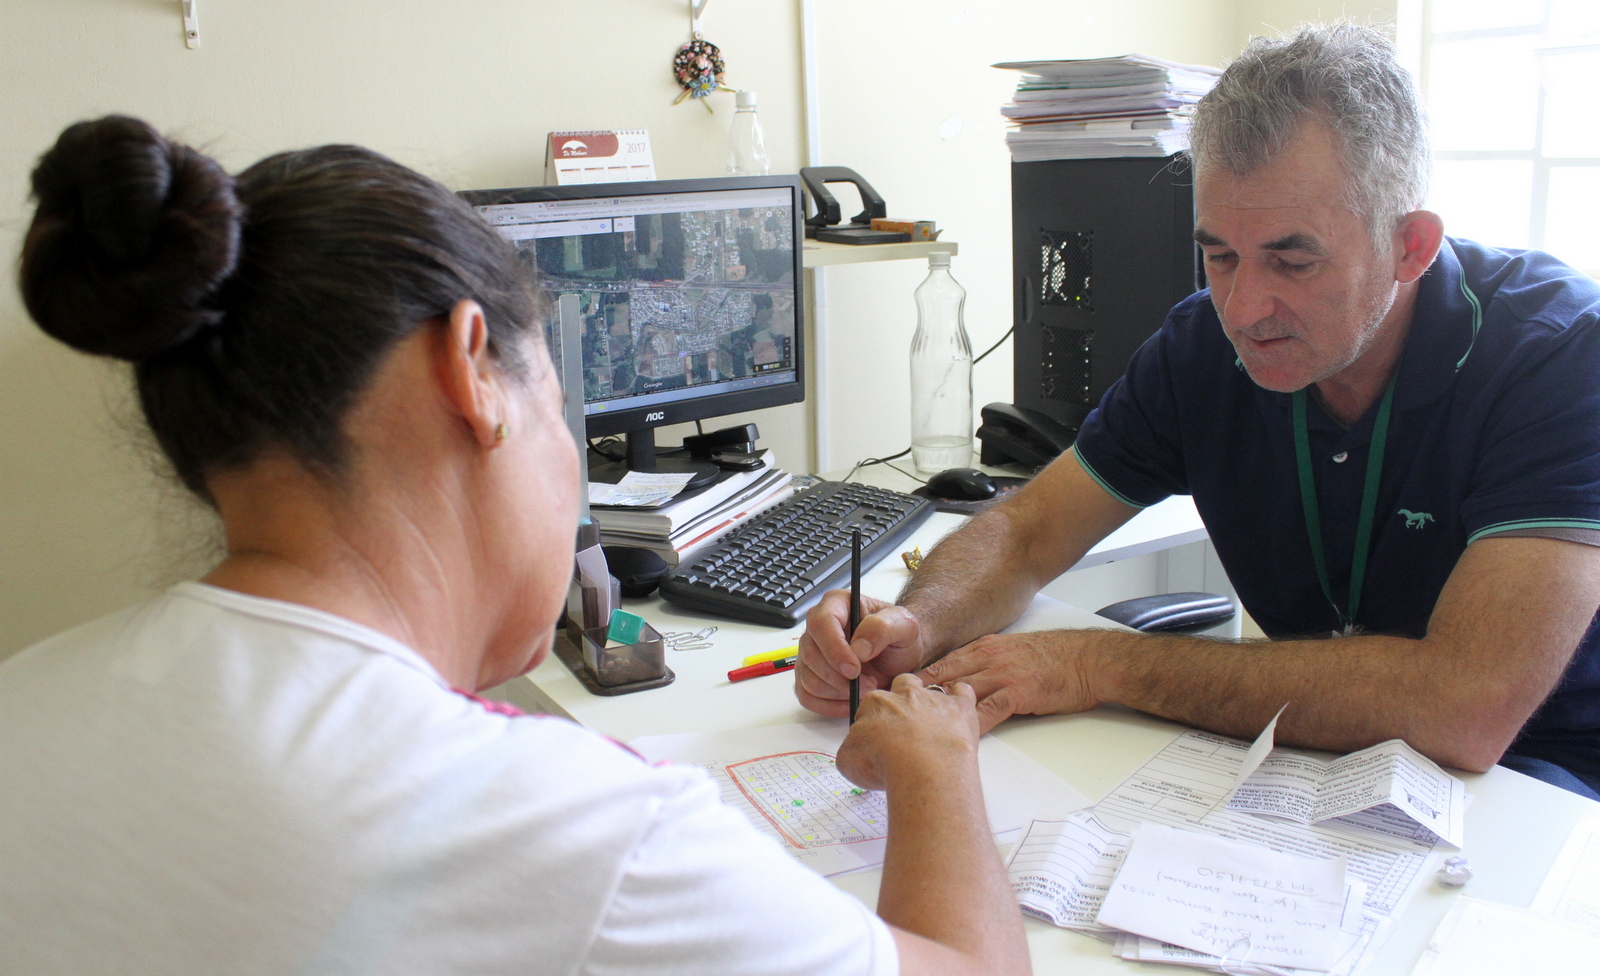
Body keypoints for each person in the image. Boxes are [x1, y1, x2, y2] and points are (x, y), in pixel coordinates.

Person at [0, 115, 1030, 976]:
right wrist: (936, 766)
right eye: (558, 386)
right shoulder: (578, 836)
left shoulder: (24, 702)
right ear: (474, 375)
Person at [798, 23, 1600, 800]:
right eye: (1219, 255)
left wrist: (1098, 663)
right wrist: (914, 624)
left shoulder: (1560, 355)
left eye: (1293, 259)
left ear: (1411, 247)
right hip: (1323, 768)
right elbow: (1026, 531)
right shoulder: (1201, 349)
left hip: (1540, 789)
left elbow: (1465, 706)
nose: (1244, 309)